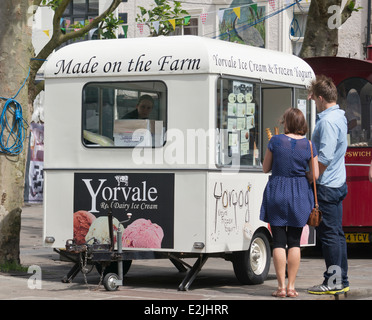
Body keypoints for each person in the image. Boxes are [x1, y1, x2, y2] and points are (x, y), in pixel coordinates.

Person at [260, 108, 319, 298]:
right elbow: (315, 175)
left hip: (277, 191)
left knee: (278, 241)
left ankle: (280, 287)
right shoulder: (309, 145)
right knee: (294, 242)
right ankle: (292, 287)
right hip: (300, 194)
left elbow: (265, 168)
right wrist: (303, 176)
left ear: (287, 122)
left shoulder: (275, 141)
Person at [307, 75, 349, 295]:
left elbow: (325, 156)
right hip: (337, 182)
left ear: (321, 98)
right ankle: (341, 279)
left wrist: (311, 176)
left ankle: (333, 282)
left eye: (314, 100)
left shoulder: (328, 121)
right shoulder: (339, 117)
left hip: (327, 185)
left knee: (330, 236)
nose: (314, 103)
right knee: (337, 235)